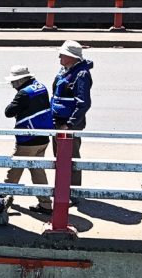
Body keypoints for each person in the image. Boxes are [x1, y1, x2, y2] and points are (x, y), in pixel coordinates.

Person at [2, 65, 54, 215]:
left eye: (14, 81)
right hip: (43, 138)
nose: (12, 84)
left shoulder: (23, 94)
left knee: (14, 171)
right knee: (38, 172)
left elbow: (8, 112)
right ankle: (45, 204)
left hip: (28, 140)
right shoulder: (41, 87)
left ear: (21, 80)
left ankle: (2, 199)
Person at [51, 40, 93, 205]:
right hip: (59, 123)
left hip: (68, 125)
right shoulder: (66, 70)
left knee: (71, 158)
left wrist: (68, 125)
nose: (59, 56)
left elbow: (83, 104)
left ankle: (72, 192)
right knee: (59, 158)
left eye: (62, 54)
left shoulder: (81, 75)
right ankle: (63, 190)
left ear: (71, 57)